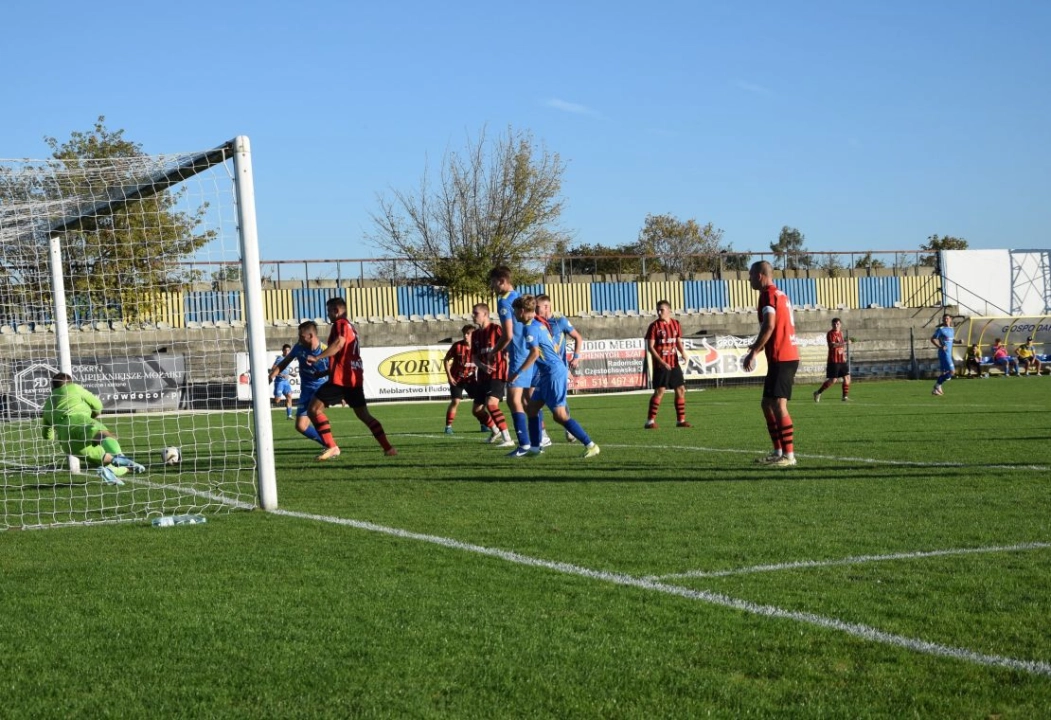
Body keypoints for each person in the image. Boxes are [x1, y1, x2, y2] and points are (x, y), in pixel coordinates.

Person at [508, 295, 600, 459]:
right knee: (532, 408)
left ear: (522, 311)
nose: (513, 315)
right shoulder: (538, 324)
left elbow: (535, 353)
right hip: (547, 373)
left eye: (514, 311)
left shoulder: (530, 328)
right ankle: (535, 448)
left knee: (559, 415)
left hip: (553, 373)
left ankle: (591, 445)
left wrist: (518, 372)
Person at [304, 297, 396, 460]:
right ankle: (388, 448)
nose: (328, 315)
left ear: (336, 310)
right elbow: (344, 355)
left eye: (329, 311)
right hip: (353, 377)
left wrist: (318, 358)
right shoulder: (351, 327)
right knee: (364, 415)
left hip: (342, 379)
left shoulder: (340, 324)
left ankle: (332, 447)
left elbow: (339, 344)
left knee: (314, 409)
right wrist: (324, 372)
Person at [740, 261, 800, 467]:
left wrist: (754, 351)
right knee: (767, 404)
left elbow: (770, 325)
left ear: (759, 275)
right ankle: (778, 451)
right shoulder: (780, 294)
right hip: (786, 354)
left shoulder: (767, 295)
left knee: (778, 405)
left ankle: (788, 456)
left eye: (750, 275)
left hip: (783, 355)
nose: (748, 279)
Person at [41, 372, 146, 485]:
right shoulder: (74, 388)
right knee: (104, 434)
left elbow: (47, 436)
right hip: (79, 421)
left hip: (67, 442)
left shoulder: (47, 405)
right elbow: (97, 405)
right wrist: (93, 415)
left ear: (53, 386)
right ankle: (119, 456)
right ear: (70, 382)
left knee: (106, 460)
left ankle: (109, 470)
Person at [489, 265, 536, 449]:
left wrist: (494, 352)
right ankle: (541, 436)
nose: (493, 286)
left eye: (493, 282)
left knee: (513, 399)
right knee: (527, 399)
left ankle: (523, 444)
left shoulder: (504, 302)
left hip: (518, 352)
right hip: (529, 350)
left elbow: (508, 335)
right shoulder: (521, 296)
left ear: (501, 281)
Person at [268, 321, 330, 448]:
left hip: (320, 389)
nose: (299, 339)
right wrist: (272, 375)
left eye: (301, 336)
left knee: (315, 414)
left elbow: (337, 370)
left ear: (311, 336)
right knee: (301, 426)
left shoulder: (325, 351)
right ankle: (329, 445)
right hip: (306, 390)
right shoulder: (298, 347)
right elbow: (285, 362)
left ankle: (331, 446)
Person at [536, 294, 584, 443]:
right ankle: (542, 434)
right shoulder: (536, 323)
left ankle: (569, 429)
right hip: (539, 368)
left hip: (558, 370)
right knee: (534, 400)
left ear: (546, 306)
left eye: (537, 307)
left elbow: (578, 337)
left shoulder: (560, 321)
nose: (534, 309)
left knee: (560, 402)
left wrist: (576, 356)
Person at [470, 303, 514, 447]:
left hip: (497, 373)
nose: (473, 316)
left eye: (476, 313)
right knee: (476, 411)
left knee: (491, 404)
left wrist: (508, 360)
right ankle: (495, 430)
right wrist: (482, 366)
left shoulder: (496, 329)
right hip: (482, 376)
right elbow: (475, 357)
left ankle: (507, 438)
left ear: (485, 314)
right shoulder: (475, 335)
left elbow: (509, 345)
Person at [643, 300, 691, 429]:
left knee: (681, 389)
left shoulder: (676, 324)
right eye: (657, 310)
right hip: (661, 364)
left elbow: (678, 341)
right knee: (660, 391)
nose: (659, 312)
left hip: (674, 363)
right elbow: (651, 347)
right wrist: (662, 362)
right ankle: (650, 421)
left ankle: (681, 421)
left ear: (669, 311)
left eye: (661, 310)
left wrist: (683, 353)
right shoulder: (654, 326)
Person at [443, 324, 477, 434]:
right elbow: (446, 360)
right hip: (456, 379)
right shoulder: (457, 346)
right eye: (464, 334)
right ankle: (448, 426)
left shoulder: (478, 347)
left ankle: (483, 423)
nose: (465, 336)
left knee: (480, 400)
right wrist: (449, 376)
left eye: (468, 334)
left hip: (470, 379)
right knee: (455, 401)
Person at [813, 318, 851, 402]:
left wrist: (843, 354)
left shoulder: (840, 333)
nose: (836, 325)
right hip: (833, 360)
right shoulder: (830, 334)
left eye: (837, 324)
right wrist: (845, 342)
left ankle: (844, 397)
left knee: (847, 377)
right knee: (833, 380)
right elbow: (833, 345)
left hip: (842, 360)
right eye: (834, 324)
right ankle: (818, 392)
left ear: (840, 324)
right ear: (832, 325)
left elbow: (840, 346)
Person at [929, 314, 956, 395]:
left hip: (948, 353)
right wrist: (940, 346)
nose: (946, 320)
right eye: (944, 319)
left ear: (950, 319)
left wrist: (958, 342)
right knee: (952, 372)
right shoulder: (941, 329)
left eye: (947, 318)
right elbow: (932, 339)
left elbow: (951, 340)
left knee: (944, 373)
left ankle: (936, 389)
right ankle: (937, 385)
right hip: (944, 354)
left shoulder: (951, 329)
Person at [269, 344, 294, 419]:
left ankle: (289, 415)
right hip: (279, 382)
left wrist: (291, 374)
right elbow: (273, 368)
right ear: (282, 351)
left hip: (286, 382)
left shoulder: (288, 359)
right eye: (285, 350)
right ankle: (267, 401)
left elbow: (285, 370)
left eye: (288, 350)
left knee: (289, 396)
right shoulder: (280, 358)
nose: (287, 352)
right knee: (277, 401)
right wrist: (282, 375)